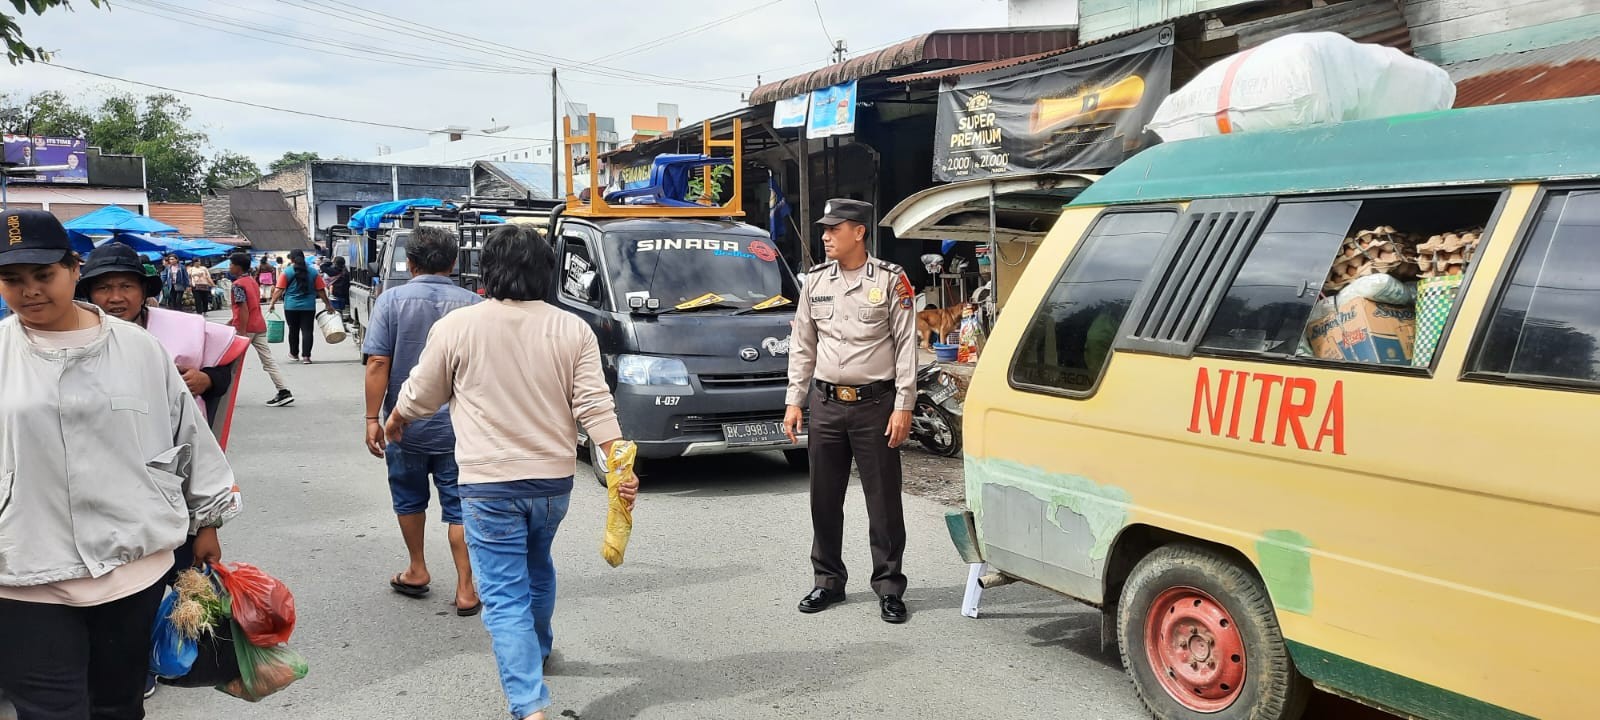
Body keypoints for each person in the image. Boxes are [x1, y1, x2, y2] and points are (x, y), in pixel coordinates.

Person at [384, 224, 639, 720]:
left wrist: (395, 419)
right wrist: (617, 462)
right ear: (545, 273)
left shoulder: (460, 326)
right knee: (537, 562)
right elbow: (594, 403)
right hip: (552, 484)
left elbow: (421, 394)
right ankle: (538, 649)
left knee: (502, 595)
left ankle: (529, 706)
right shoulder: (571, 328)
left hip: (488, 484)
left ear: (488, 271)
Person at [0, 209, 237, 719]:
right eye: (12, 280)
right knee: (48, 712)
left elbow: (187, 437)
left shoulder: (138, 349)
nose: (30, 291)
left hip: (130, 568)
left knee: (118, 707)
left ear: (71, 269)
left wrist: (207, 522)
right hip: (23, 571)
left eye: (43, 275)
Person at [782, 198, 918, 624]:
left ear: (858, 232)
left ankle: (890, 586)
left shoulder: (893, 281)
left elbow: (907, 347)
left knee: (883, 501)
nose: (825, 236)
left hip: (875, 406)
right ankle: (828, 581)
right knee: (823, 497)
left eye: (834, 229)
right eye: (824, 229)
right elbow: (803, 344)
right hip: (825, 404)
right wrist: (794, 399)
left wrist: (904, 405)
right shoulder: (815, 282)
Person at [361, 227, 482, 615]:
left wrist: (371, 419)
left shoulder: (391, 301)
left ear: (409, 263)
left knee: (409, 497)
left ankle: (417, 568)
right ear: (454, 263)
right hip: (459, 429)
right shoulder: (473, 305)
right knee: (461, 505)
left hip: (404, 423)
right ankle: (466, 587)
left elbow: (379, 361)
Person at [228, 252, 294, 407]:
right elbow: (251, 306)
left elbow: (243, 309)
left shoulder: (238, 285)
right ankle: (283, 390)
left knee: (232, 365)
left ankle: (225, 396)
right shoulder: (251, 281)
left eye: (231, 264)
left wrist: (242, 332)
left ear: (238, 267)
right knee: (268, 361)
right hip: (259, 326)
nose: (229, 267)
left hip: (245, 328)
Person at [267, 249, 332, 364]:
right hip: (308, 307)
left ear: (291, 259)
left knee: (293, 330)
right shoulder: (313, 272)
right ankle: (306, 357)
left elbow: (279, 290)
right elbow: (321, 290)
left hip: (291, 307)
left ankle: (294, 354)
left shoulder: (287, 272)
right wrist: (328, 305)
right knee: (307, 331)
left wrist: (272, 303)